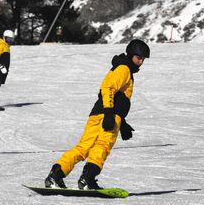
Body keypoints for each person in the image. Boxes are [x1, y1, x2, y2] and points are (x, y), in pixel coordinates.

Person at [44, 39, 150, 190]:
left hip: (98, 113)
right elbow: (107, 88)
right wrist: (109, 114)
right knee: (102, 145)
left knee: (84, 147)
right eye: (139, 58)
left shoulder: (120, 67)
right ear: (131, 55)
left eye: (143, 59)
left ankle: (56, 175)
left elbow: (116, 96)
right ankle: (87, 179)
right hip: (108, 114)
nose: (141, 62)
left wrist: (123, 123)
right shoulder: (124, 69)